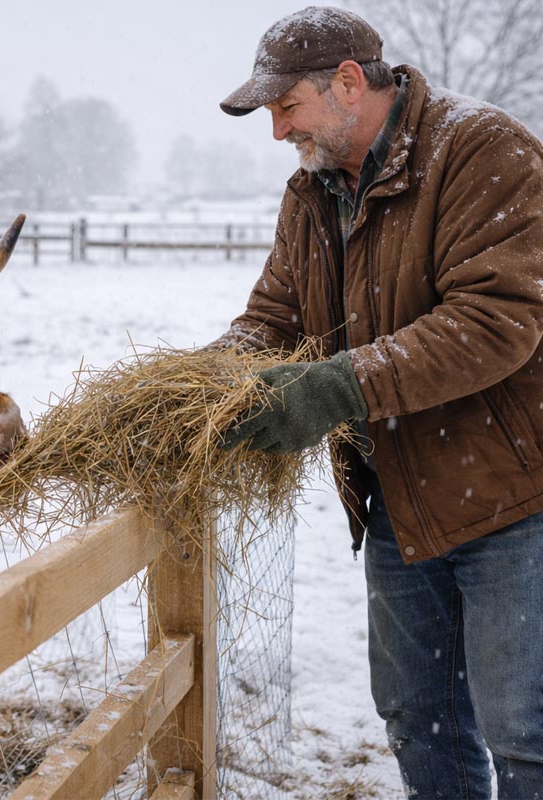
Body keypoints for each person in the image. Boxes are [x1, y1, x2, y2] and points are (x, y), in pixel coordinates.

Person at [214, 6, 543, 798]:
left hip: (510, 500)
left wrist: (335, 387)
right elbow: (274, 320)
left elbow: (496, 320)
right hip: (395, 497)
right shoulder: (313, 195)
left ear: (350, 84)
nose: (277, 132)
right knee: (416, 715)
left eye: (285, 107)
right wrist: (201, 384)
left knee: (522, 729)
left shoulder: (482, 149)